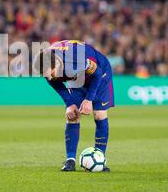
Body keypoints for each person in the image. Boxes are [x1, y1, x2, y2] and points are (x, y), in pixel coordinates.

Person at [33, 40, 114, 172]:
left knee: (99, 115)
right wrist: (69, 103)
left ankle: (100, 158)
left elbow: (97, 74)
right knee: (72, 115)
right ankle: (70, 160)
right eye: (46, 76)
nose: (50, 77)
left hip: (101, 73)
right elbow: (54, 82)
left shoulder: (76, 59)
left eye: (52, 73)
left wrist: (88, 99)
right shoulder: (46, 63)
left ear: (57, 63)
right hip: (77, 78)